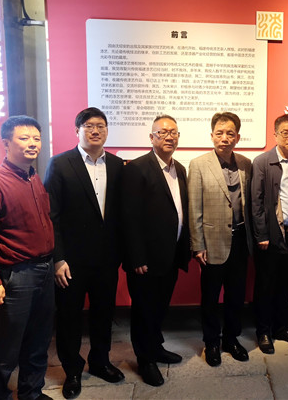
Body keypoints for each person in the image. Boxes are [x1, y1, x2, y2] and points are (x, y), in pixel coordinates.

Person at [0, 115, 54, 400]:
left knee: (39, 341)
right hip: (16, 276)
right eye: (24, 138)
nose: (32, 144)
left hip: (44, 269)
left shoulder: (33, 177)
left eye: (36, 138)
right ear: (6, 143)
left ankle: (31, 393)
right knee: (6, 349)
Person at [44, 108, 124, 398]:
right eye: (88, 126)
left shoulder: (116, 165)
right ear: (77, 130)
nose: (95, 131)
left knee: (104, 314)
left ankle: (100, 361)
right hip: (71, 261)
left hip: (107, 259)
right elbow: (51, 216)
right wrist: (58, 258)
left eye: (100, 126)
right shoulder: (60, 163)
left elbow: (121, 213)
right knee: (69, 318)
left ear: (107, 131)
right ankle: (73, 370)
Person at [121, 115, 191, 387]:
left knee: (160, 306)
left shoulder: (179, 169)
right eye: (162, 132)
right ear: (151, 138)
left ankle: (156, 347)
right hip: (146, 259)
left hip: (170, 254)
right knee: (144, 310)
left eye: (173, 132)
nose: (169, 137)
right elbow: (129, 217)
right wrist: (136, 256)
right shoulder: (137, 168)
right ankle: (146, 360)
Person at [188, 112, 253, 367]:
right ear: (212, 135)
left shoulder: (246, 164)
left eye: (230, 133)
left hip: (240, 240)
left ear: (238, 137)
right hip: (212, 241)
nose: (224, 138)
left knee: (236, 295)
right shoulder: (199, 164)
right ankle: (212, 342)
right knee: (211, 296)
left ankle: (231, 339)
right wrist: (197, 245)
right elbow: (194, 208)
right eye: (219, 133)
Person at [251, 113, 288, 354]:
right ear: (275, 135)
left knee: (286, 285)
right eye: (285, 133)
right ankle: (263, 331)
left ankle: (281, 328)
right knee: (265, 285)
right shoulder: (262, 162)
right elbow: (256, 202)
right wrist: (261, 235)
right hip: (270, 236)